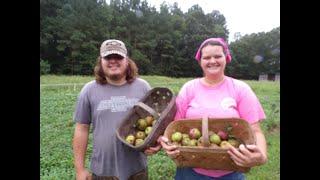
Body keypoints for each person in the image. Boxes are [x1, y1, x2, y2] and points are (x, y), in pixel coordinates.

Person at [159, 37, 268, 179]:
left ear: (226, 58)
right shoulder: (189, 88)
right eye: (206, 57)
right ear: (200, 62)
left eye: (217, 56)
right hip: (190, 171)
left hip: (231, 171)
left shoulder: (240, 89)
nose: (212, 61)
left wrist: (262, 156)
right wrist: (167, 144)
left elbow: (255, 130)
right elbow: (174, 127)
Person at [72, 39, 161, 180]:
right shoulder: (89, 90)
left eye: (118, 57)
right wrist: (80, 169)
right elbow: (81, 129)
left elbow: (156, 121)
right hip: (102, 172)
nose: (113, 61)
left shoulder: (143, 87)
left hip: (137, 170)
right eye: (108, 57)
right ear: (101, 61)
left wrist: (157, 143)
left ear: (127, 60)